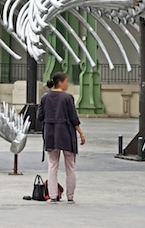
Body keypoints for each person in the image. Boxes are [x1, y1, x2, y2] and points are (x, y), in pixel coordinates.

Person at [38, 72, 86, 203]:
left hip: (50, 134)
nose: (68, 83)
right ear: (60, 82)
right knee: (70, 166)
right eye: (66, 81)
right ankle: (70, 196)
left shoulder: (45, 97)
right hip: (66, 134)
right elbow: (73, 118)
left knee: (52, 166)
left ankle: (53, 195)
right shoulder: (67, 98)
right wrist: (81, 133)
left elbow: (40, 116)